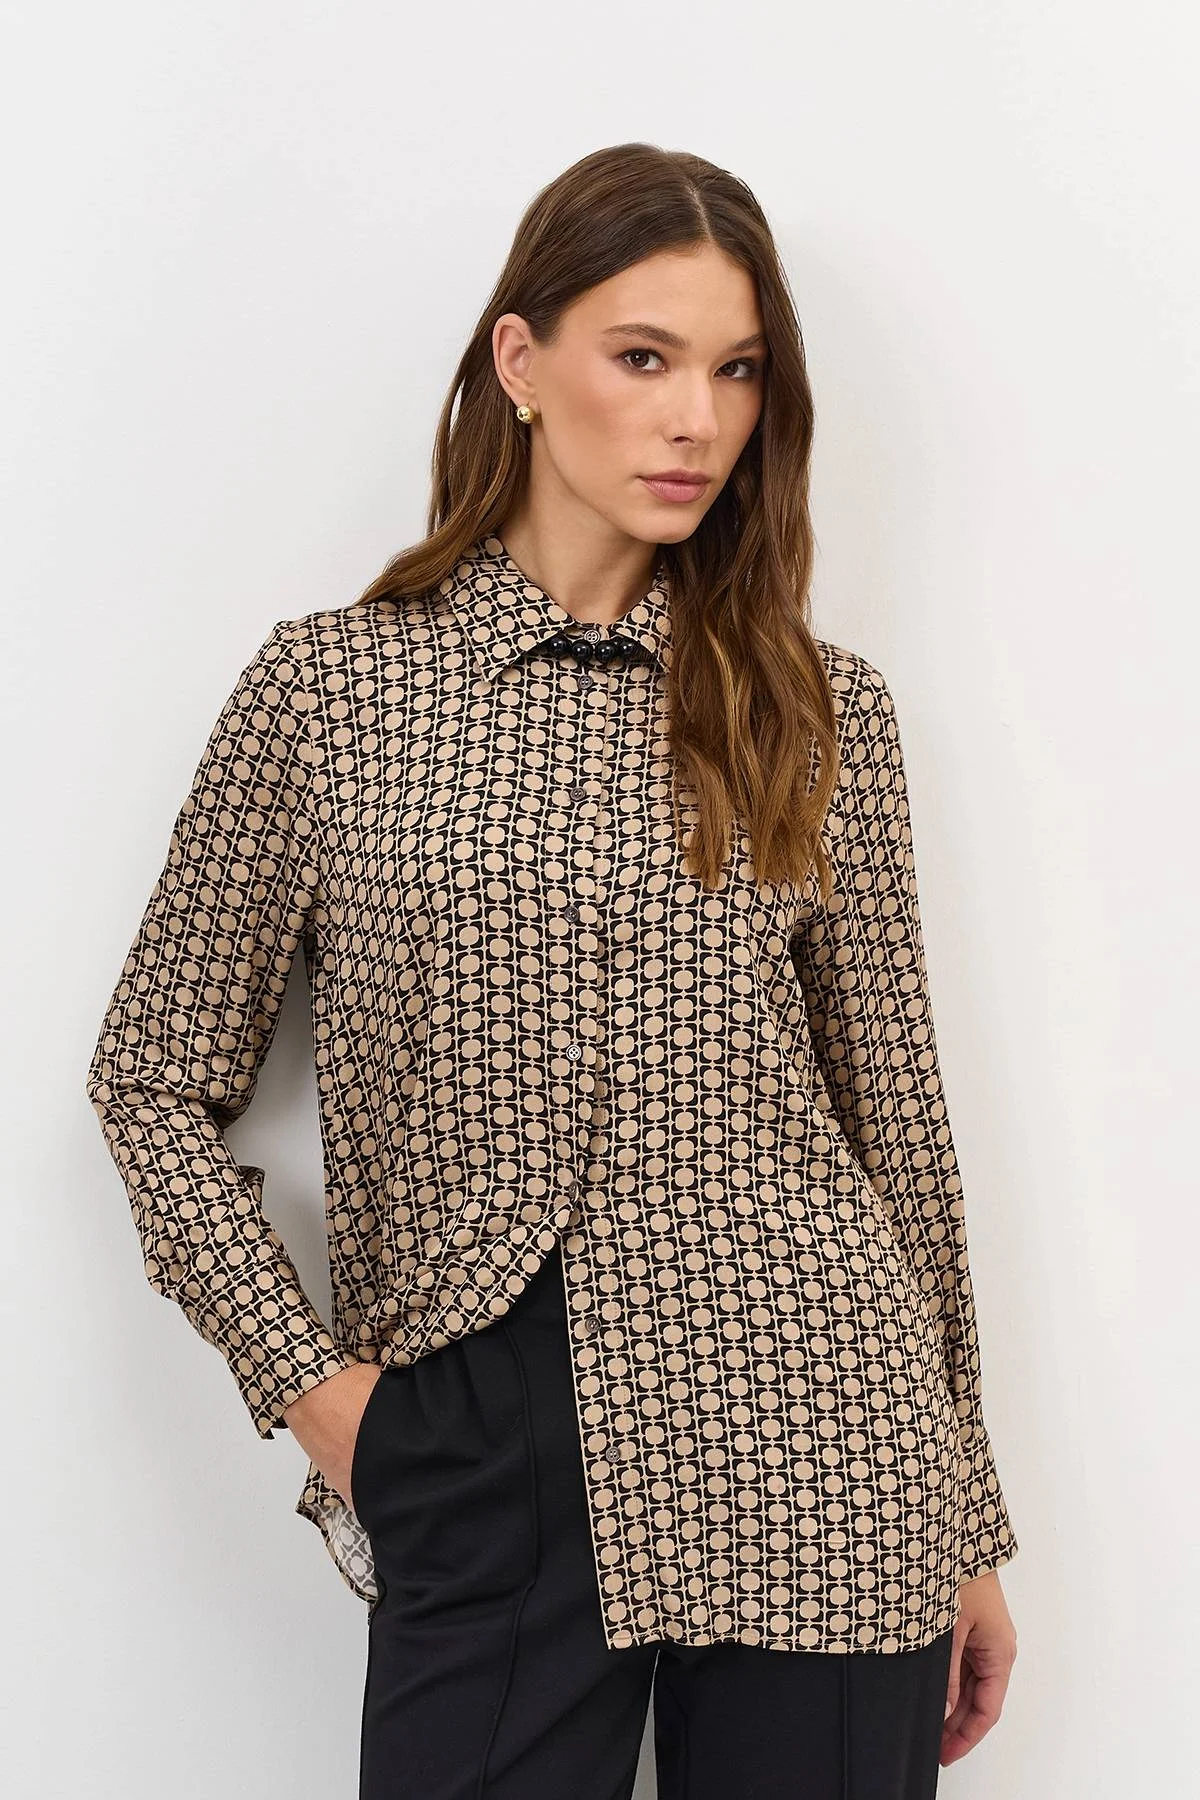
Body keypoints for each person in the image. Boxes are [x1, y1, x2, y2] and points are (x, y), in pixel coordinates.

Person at [85, 142, 1019, 1798]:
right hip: (479, 1426)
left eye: (738, 371)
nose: (698, 420)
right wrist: (316, 1392)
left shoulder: (820, 716)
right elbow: (150, 1076)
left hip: (824, 1424)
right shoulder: (332, 696)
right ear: (519, 362)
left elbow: (899, 1130)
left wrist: (966, 1520)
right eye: (644, 357)